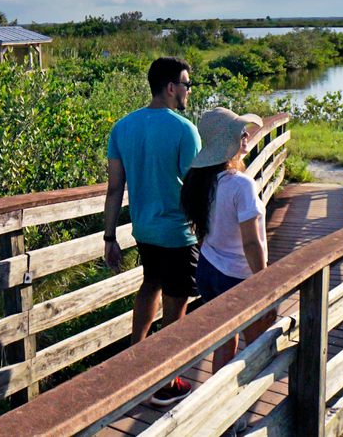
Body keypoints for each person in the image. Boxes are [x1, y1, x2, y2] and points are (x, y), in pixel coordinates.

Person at [103, 56, 201, 407]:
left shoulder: (123, 127)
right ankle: (164, 381)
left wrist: (109, 237)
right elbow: (196, 188)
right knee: (176, 309)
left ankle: (134, 360)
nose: (189, 91)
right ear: (171, 87)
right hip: (177, 233)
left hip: (144, 230)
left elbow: (115, 189)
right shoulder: (183, 129)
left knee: (150, 286)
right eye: (187, 85)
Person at [180, 107, 276, 377]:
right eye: (240, 132)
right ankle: (242, 409)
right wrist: (265, 283)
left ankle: (218, 407)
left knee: (225, 343)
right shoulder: (240, 185)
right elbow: (252, 244)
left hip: (208, 270)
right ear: (228, 141)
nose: (246, 135)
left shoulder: (202, 182)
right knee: (256, 346)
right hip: (237, 276)